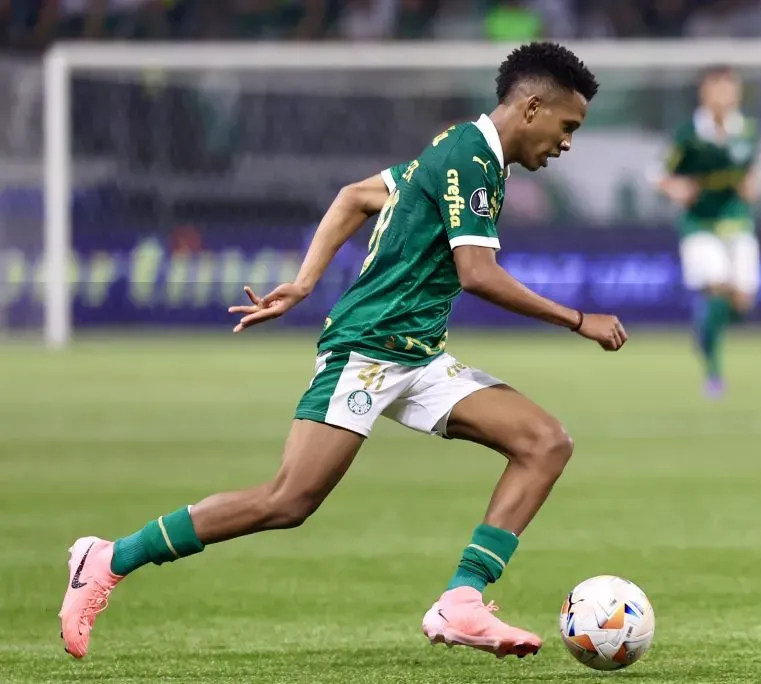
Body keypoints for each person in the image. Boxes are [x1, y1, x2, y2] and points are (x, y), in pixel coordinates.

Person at [59, 41, 627, 661]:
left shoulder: (466, 150)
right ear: (532, 106)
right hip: (367, 349)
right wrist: (579, 320)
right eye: (567, 126)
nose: (568, 142)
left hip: (419, 355)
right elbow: (477, 273)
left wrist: (303, 283)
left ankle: (462, 599)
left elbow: (356, 196)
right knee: (287, 501)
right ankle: (108, 557)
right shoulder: (469, 152)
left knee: (544, 442)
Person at [652, 65, 761, 398]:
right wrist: (676, 189)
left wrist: (754, 185)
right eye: (718, 89)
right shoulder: (689, 134)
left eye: (730, 89)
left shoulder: (747, 130)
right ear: (704, 93)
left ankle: (704, 329)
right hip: (699, 223)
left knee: (742, 299)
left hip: (737, 221)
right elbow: (660, 174)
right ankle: (713, 373)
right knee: (717, 285)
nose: (725, 96)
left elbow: (753, 171)